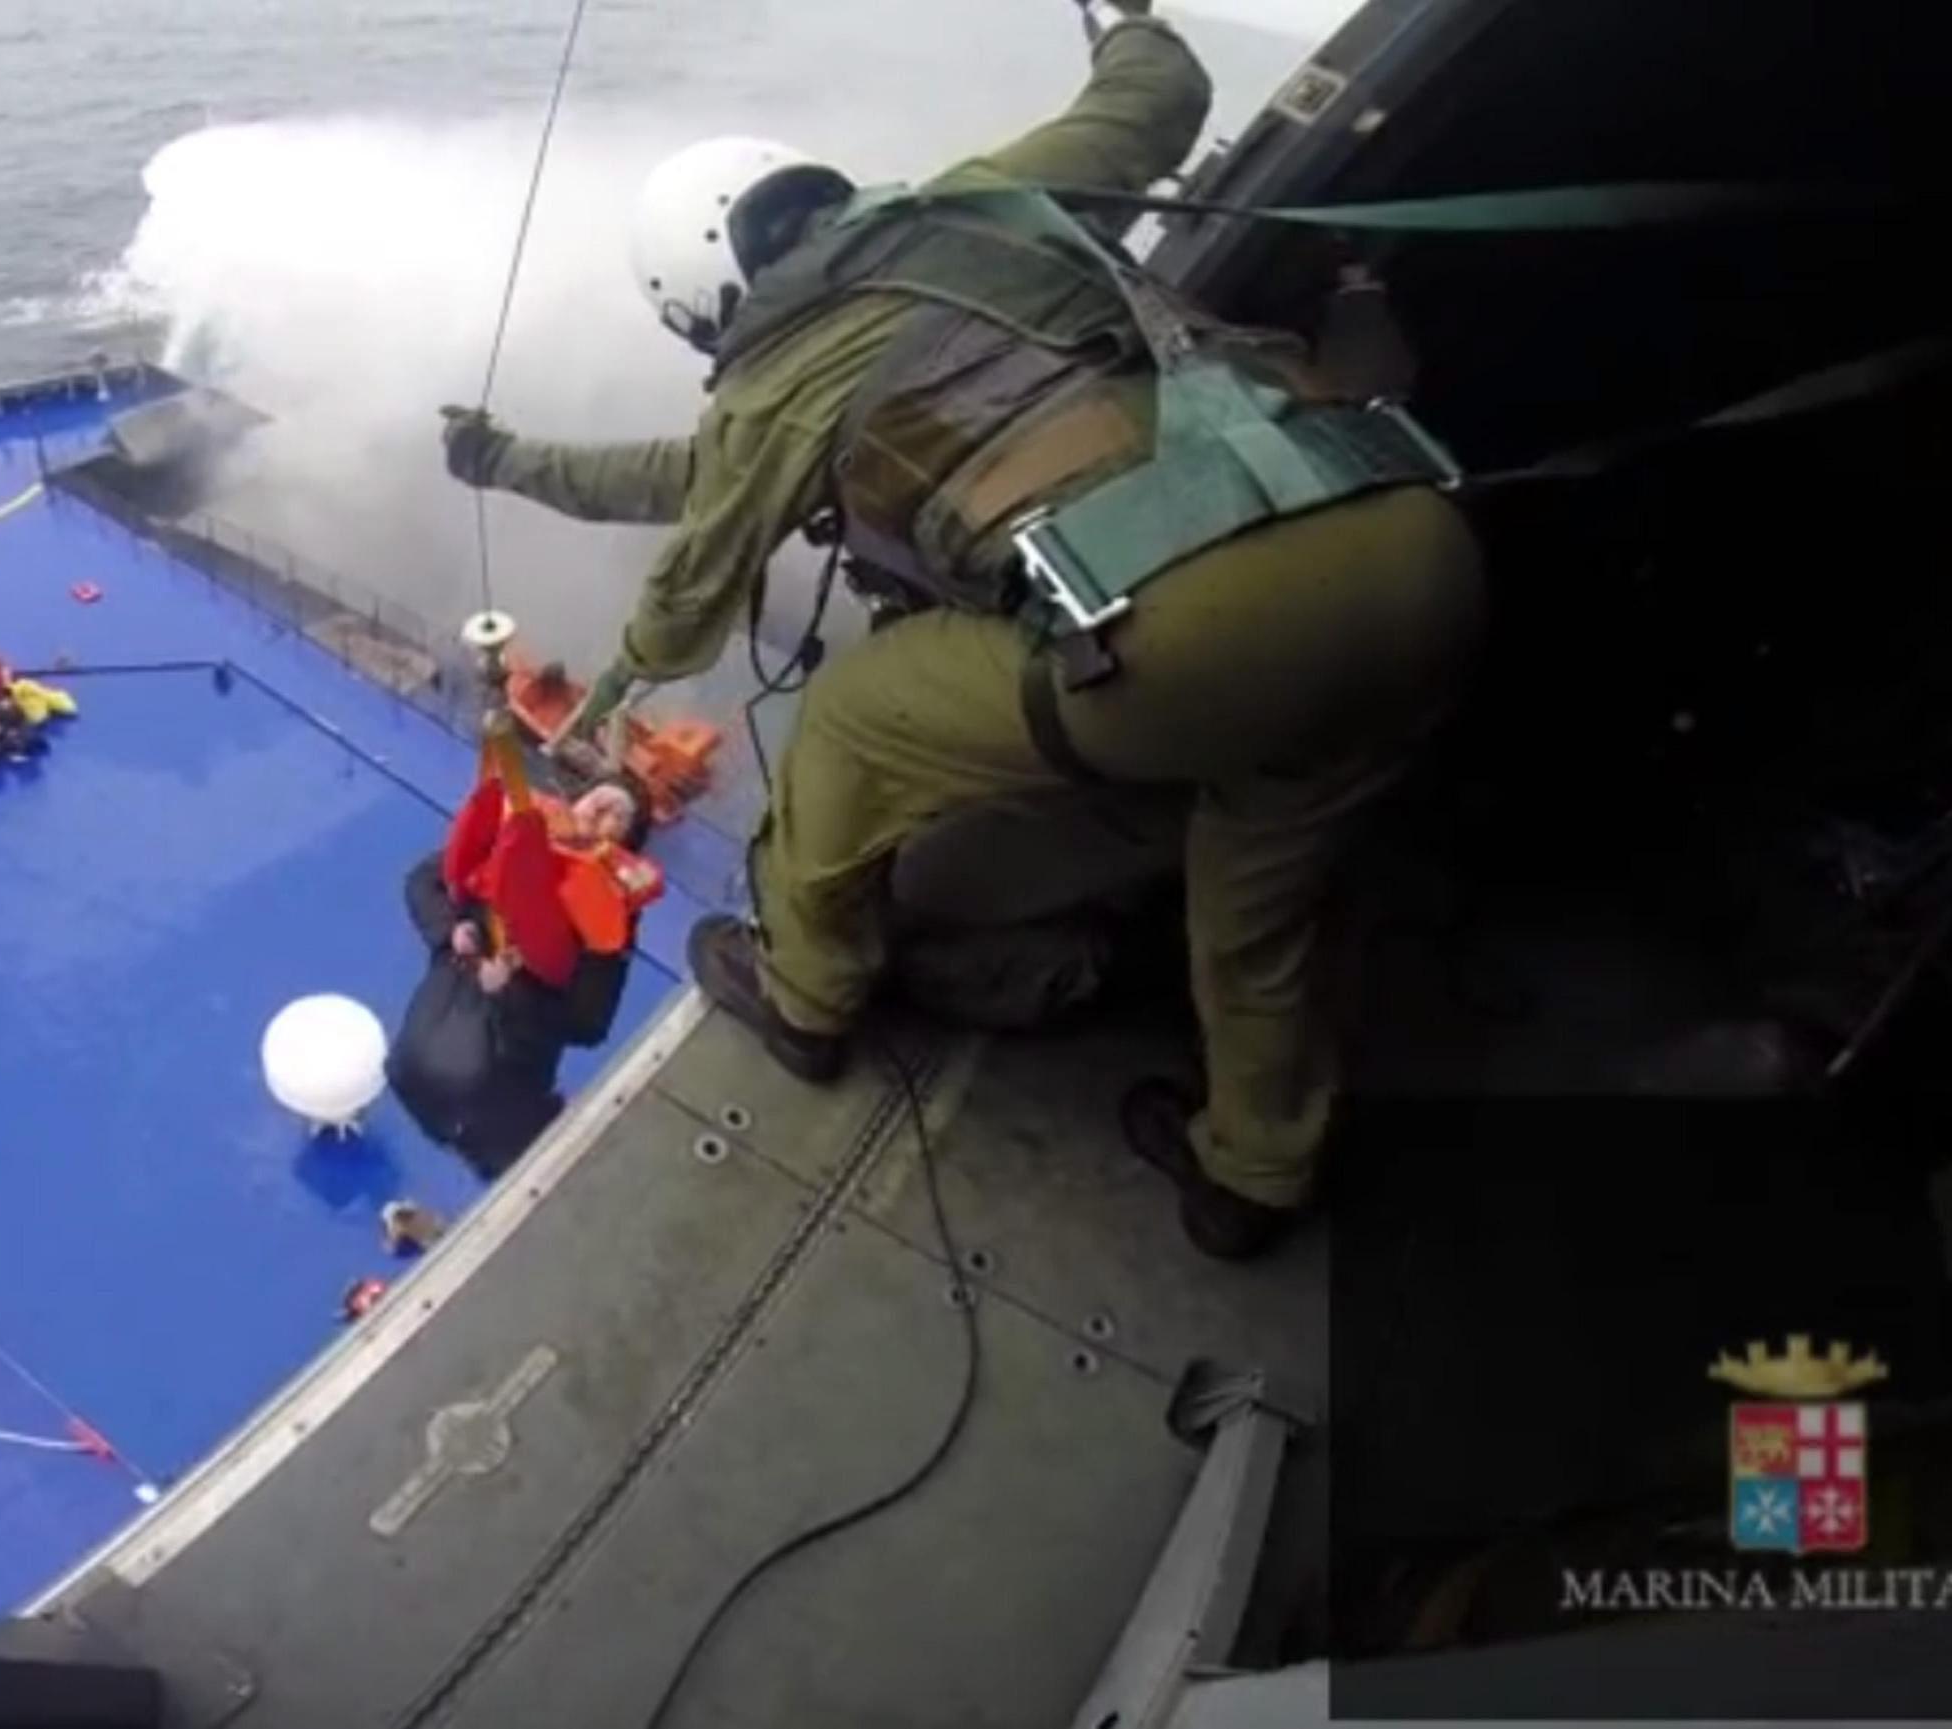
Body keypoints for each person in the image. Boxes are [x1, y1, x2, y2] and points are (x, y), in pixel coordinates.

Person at [435, 3, 1483, 1259]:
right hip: (1409, 542)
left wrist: (610, 686)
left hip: (1194, 629)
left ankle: (806, 995)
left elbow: (686, 590)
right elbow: (1157, 96)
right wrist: (1129, 17)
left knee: (855, 717)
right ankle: (1251, 1172)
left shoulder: (772, 388)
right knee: (1266, 876)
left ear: (705, 306)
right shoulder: (978, 201)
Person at [388, 777, 657, 1176]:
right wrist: (451, 930)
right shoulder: (515, 841)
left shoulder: (609, 916)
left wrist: (510, 991)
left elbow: (589, 1022)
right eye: (596, 802)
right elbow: (424, 882)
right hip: (429, 1036)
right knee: (418, 1086)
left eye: (617, 815)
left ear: (624, 842)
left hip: (506, 1089)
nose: (598, 816)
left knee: (533, 1177)